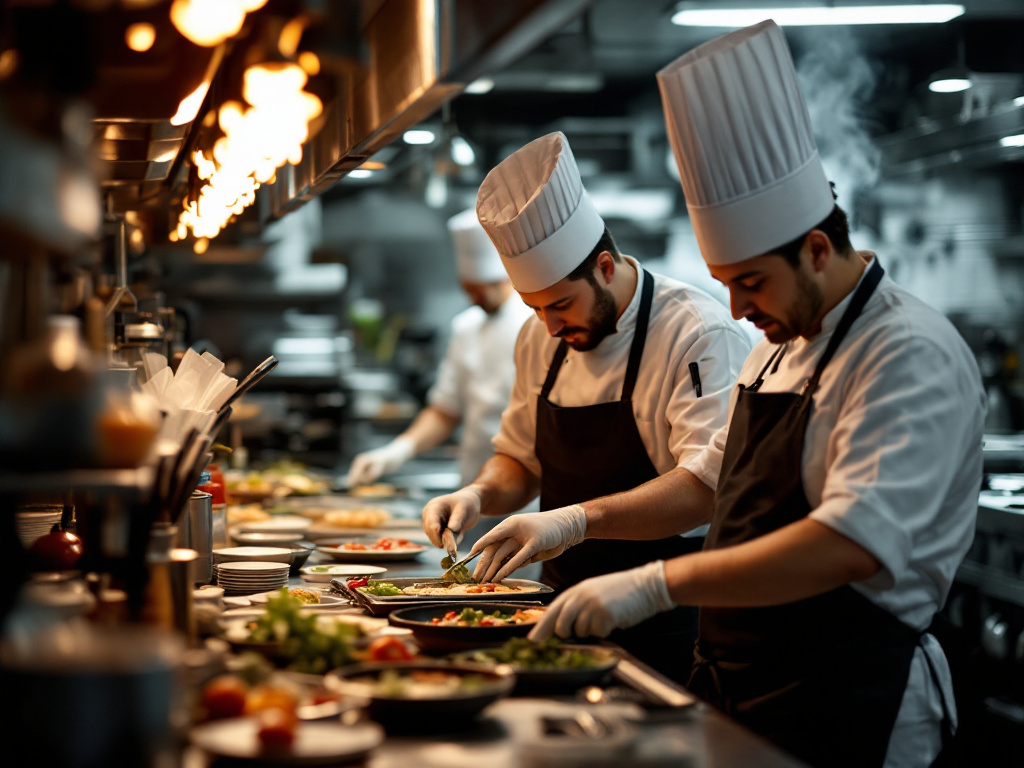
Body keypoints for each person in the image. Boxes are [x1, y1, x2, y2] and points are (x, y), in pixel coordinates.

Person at [467, 21, 985, 768]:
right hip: (742, 689)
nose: (737, 311)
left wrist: (655, 583)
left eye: (751, 283)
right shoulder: (780, 345)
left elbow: (850, 543)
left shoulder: (906, 352)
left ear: (815, 249)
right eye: (726, 284)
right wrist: (553, 524)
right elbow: (724, 486)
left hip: (852, 704)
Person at [420, 131, 752, 683]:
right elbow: (520, 461)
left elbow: (705, 490)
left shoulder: (697, 332)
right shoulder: (539, 335)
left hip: (663, 618)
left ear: (603, 267)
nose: (549, 326)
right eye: (534, 307)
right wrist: (477, 494)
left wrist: (576, 521)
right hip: (555, 609)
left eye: (560, 305)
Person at [347, 209, 533, 490]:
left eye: (482, 289)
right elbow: (445, 410)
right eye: (468, 289)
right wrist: (397, 451)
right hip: (473, 485)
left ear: (503, 277)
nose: (475, 297)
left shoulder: (536, 323)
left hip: (528, 494)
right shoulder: (466, 327)